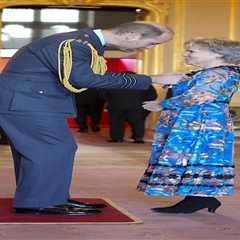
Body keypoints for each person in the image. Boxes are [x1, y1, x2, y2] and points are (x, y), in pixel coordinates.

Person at [0, 21, 183, 215]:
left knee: (44, 150)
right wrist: (153, 78)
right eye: (152, 43)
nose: (148, 49)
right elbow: (83, 79)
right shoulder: (77, 43)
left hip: (31, 100)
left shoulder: (85, 42)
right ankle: (42, 201)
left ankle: (46, 198)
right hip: (28, 101)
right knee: (53, 147)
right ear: (131, 35)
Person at [137, 38, 240, 214]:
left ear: (217, 54)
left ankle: (198, 199)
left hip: (204, 124)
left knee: (197, 156)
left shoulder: (219, 74)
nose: (186, 54)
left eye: (192, 51)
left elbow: (197, 96)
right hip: (197, 122)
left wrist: (161, 104)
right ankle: (198, 198)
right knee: (194, 157)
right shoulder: (208, 73)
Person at [101, 78, 157, 143]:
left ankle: (117, 138)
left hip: (116, 105)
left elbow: (102, 93)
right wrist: (143, 101)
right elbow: (153, 95)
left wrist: (110, 100)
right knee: (138, 122)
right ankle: (138, 139)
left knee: (116, 122)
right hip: (137, 106)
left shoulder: (114, 81)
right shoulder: (143, 82)